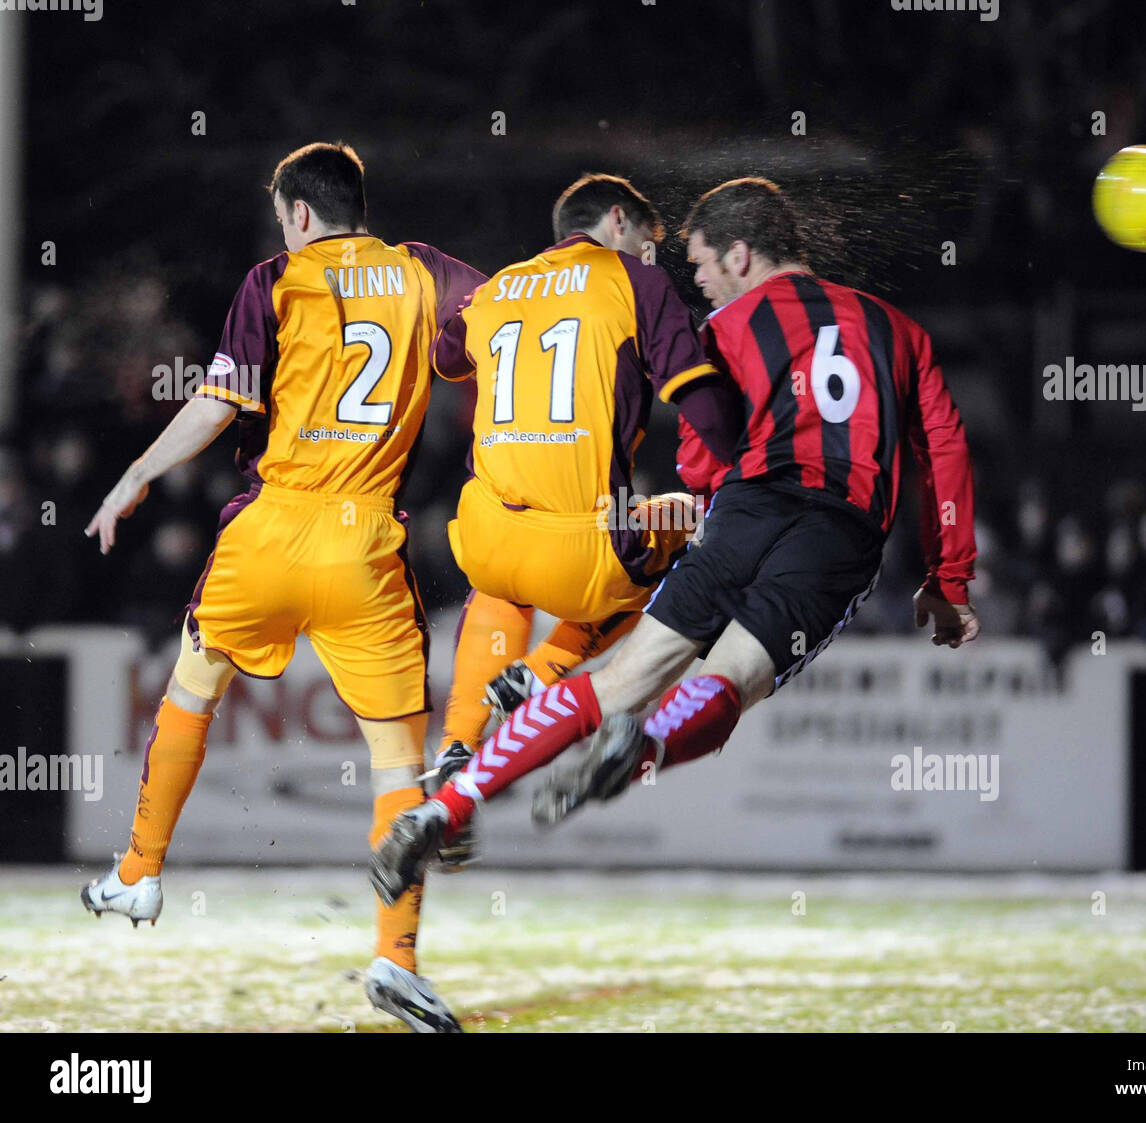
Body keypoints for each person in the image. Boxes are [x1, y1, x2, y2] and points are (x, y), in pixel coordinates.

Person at [371, 176, 978, 906]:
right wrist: (948, 577)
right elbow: (942, 442)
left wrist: (703, 499)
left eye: (700, 265)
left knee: (621, 677)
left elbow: (699, 458)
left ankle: (447, 805)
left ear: (741, 254)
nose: (693, 279)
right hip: (837, 530)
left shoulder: (723, 332)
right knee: (730, 682)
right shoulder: (898, 329)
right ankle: (647, 747)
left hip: (741, 504)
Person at [80, 142, 482, 1033]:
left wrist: (135, 475)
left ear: (298, 214)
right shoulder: (424, 273)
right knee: (396, 766)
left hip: (269, 530)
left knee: (189, 694)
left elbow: (220, 401)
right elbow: (504, 339)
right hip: (366, 541)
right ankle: (397, 958)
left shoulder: (275, 280)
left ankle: (140, 873)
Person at [423, 174, 740, 786]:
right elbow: (694, 393)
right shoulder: (636, 280)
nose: (655, 255)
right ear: (617, 221)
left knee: (500, 580)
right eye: (649, 240)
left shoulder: (499, 288)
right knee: (685, 519)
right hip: (585, 554)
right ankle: (541, 672)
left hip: (488, 540)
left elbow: (447, 356)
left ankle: (458, 745)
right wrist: (742, 465)